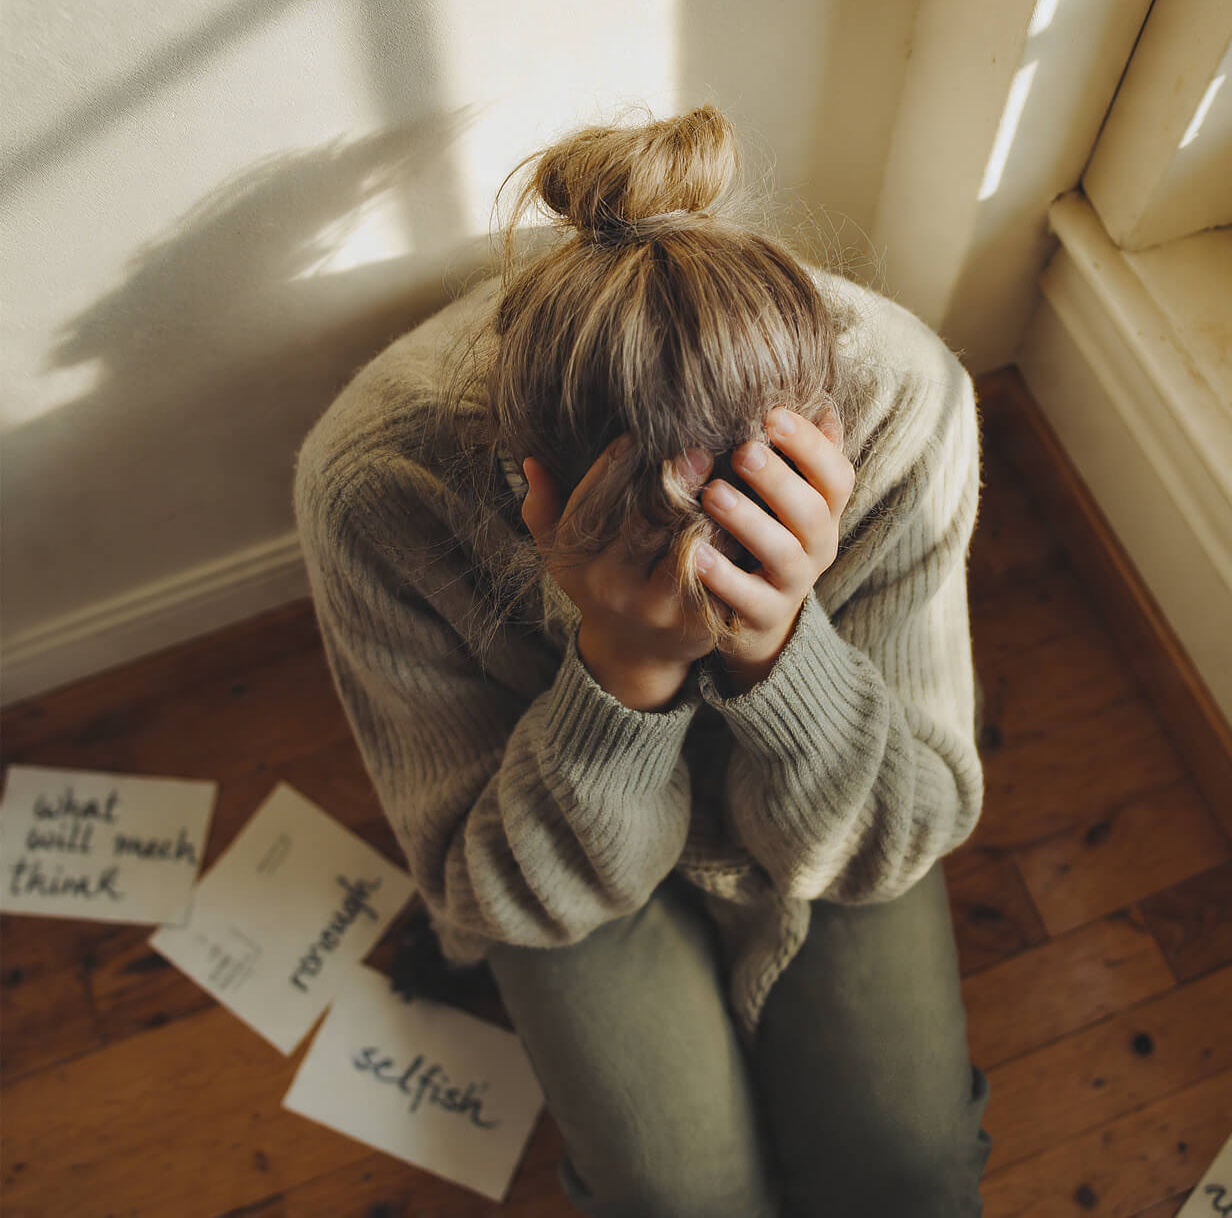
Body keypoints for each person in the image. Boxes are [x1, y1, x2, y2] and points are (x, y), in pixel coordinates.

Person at [293, 103, 994, 1217]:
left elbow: (892, 836)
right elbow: (487, 887)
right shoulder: (382, 483)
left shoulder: (905, 400)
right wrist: (622, 664)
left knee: (910, 1179)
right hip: (555, 830)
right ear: (522, 484)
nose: (695, 592)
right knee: (678, 1196)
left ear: (824, 430)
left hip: (838, 794)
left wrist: (778, 646)